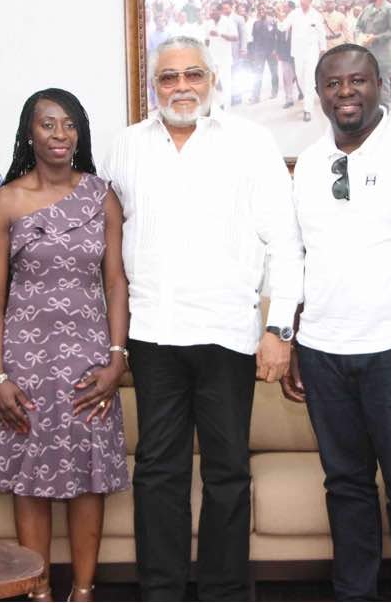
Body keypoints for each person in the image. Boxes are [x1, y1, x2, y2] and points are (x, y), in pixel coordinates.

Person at [101, 35, 303, 601]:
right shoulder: (125, 147)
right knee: (156, 472)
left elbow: (284, 242)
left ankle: (223, 593)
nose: (182, 87)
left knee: (227, 473)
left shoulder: (250, 142)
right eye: (169, 77)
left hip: (228, 333)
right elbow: (107, 244)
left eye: (193, 74)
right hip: (152, 335)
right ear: (153, 87)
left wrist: (279, 329)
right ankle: (160, 592)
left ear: (213, 80)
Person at [283, 44, 391, 600]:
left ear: (379, 83)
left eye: (357, 80)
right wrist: (294, 341)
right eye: (333, 84)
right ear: (319, 93)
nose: (346, 92)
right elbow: (301, 257)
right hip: (323, 352)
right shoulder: (309, 162)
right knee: (346, 487)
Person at [0, 89, 130, 602]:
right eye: (48, 124)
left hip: (90, 359)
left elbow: (115, 281)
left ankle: (83, 591)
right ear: (30, 133)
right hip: (26, 360)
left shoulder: (102, 195)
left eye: (69, 124)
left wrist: (117, 358)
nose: (60, 134)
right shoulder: (6, 201)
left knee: (88, 476)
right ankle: (39, 591)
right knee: (30, 478)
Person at [278, 0, 327, 121]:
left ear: (310, 1)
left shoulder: (316, 15)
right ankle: (308, 97)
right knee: (300, 78)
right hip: (297, 52)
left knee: (309, 78)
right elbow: (283, 27)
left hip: (311, 51)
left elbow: (321, 33)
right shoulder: (294, 14)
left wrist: (323, 48)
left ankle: (307, 109)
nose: (302, 2)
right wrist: (280, 17)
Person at [355, 0, 391, 107]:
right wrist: (361, 36)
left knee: (382, 85)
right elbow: (358, 26)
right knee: (366, 85)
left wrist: (375, 38)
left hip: (382, 56)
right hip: (366, 55)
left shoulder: (390, 9)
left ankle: (385, 112)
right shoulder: (367, 9)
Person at [204, 1, 239, 109]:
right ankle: (219, 104)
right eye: (210, 10)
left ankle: (227, 107)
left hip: (225, 58)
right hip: (212, 58)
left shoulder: (228, 22)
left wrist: (219, 34)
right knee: (210, 83)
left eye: (214, 10)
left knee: (226, 83)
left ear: (220, 11)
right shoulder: (208, 23)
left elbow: (235, 38)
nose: (211, 13)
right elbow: (207, 40)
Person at [249, 4, 280, 102]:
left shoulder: (273, 21)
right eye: (259, 9)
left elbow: (277, 37)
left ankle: (274, 91)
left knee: (274, 73)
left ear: (267, 10)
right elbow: (254, 39)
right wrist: (254, 52)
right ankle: (256, 95)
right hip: (259, 52)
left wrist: (275, 49)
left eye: (263, 9)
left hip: (271, 51)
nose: (261, 10)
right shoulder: (256, 23)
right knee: (258, 74)